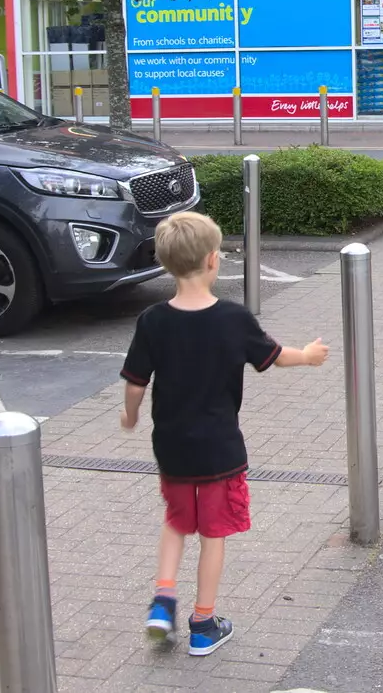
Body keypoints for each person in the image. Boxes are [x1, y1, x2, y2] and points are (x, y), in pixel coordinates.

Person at [120, 211, 329, 656]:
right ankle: (202, 623)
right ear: (214, 260)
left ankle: (162, 600)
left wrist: (130, 416)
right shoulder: (233, 319)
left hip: (172, 446)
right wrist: (309, 356)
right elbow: (272, 356)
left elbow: (136, 382)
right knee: (213, 534)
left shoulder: (153, 320)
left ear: (165, 262)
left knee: (176, 521)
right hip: (219, 449)